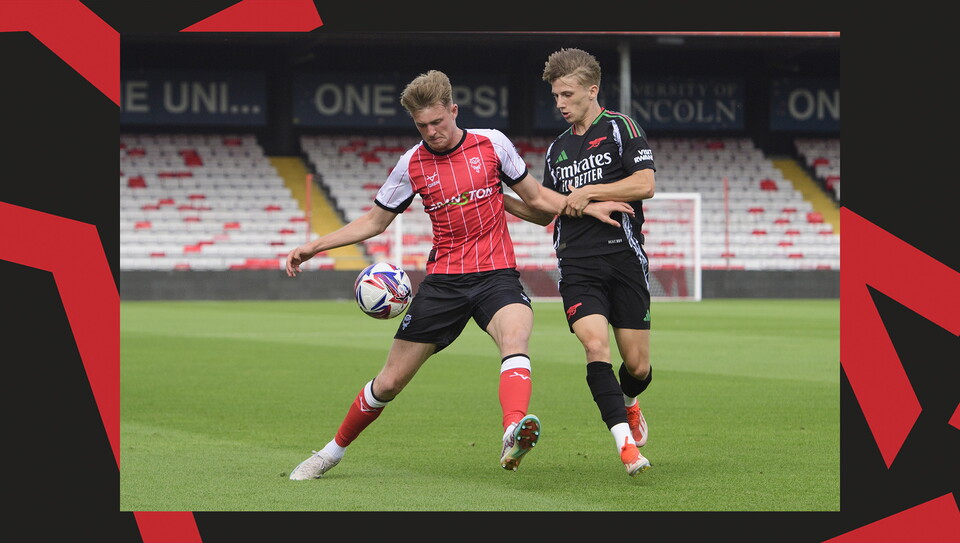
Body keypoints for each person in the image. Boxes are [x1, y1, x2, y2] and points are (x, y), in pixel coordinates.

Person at [285, 69, 634, 479]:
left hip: (497, 275)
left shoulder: (492, 144)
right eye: (422, 126)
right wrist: (315, 245)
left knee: (517, 334)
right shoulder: (411, 164)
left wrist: (588, 204)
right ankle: (331, 452)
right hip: (444, 282)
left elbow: (536, 198)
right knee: (390, 382)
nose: (432, 132)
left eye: (438, 122)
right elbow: (375, 221)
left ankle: (511, 431)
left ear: (453, 110)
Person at [504, 48, 656, 476]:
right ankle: (626, 447)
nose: (560, 103)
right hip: (577, 266)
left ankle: (630, 401)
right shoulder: (557, 150)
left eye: (567, 94)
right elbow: (545, 210)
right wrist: (498, 198)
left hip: (624, 259)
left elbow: (646, 184)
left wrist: (590, 192)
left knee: (638, 367)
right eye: (555, 96)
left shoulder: (621, 127)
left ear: (592, 91)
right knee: (594, 346)